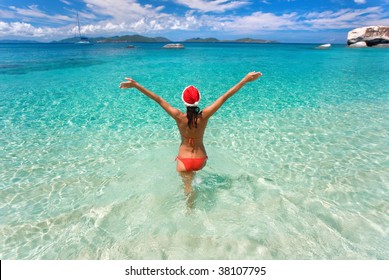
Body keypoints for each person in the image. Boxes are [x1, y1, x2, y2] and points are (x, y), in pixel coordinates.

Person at [119, 71, 262, 208]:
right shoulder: (204, 115)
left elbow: (158, 99)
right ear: (198, 100)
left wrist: (136, 85)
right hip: (200, 159)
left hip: (184, 160)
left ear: (183, 100)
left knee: (188, 188)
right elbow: (225, 97)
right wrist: (245, 80)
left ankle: (189, 209)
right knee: (196, 175)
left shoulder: (178, 116)